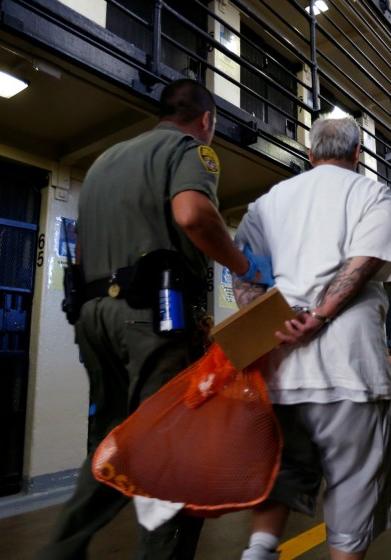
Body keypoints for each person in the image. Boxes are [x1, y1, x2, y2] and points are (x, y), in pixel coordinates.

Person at [36, 79, 273, 560]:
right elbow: (192, 214)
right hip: (151, 318)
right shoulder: (191, 151)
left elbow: (80, 249)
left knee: (111, 442)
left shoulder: (105, 161)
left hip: (92, 318)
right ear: (206, 120)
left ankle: (60, 550)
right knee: (172, 447)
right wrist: (245, 266)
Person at [232, 117, 391, 560]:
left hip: (279, 366)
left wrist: (270, 327)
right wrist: (320, 316)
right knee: (353, 483)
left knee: (281, 468)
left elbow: (245, 273)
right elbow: (364, 262)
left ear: (310, 155)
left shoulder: (268, 202)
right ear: (357, 153)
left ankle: (260, 550)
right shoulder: (372, 194)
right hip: (349, 367)